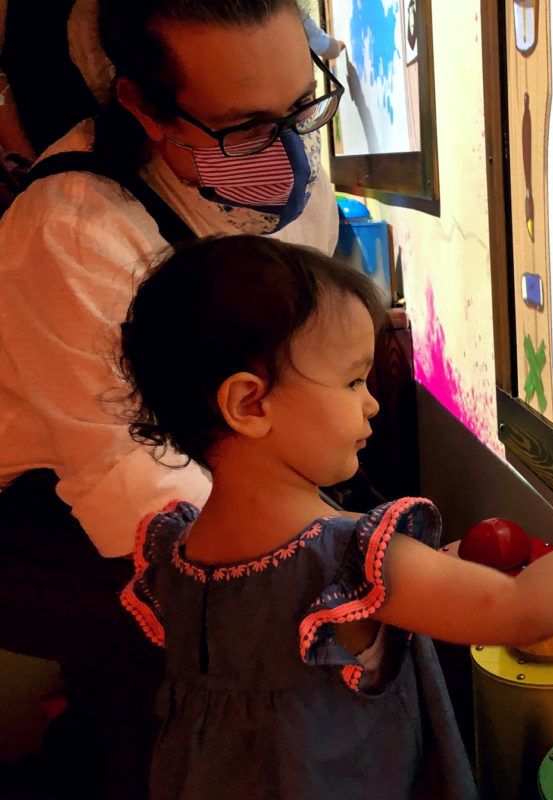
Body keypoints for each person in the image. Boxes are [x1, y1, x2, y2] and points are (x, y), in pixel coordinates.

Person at [115, 235, 553, 799]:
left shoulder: (177, 551)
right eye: (353, 381)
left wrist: (436, 571)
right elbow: (525, 611)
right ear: (250, 404)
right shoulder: (345, 559)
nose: (373, 402)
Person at [0, 1, 340, 797]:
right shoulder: (71, 232)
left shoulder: (285, 188)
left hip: (193, 455)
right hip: (46, 512)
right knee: (188, 653)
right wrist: (344, 564)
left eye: (300, 109)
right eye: (246, 128)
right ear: (145, 108)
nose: (287, 154)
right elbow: (143, 498)